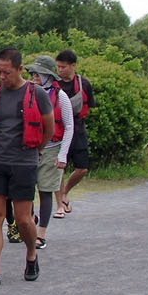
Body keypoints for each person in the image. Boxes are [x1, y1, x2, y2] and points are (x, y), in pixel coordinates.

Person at [0, 47, 55, 287]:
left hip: (24, 161)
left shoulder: (37, 94)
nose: (1, 77)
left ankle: (31, 254)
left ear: (20, 70)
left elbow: (48, 127)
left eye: (6, 72)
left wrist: (38, 149)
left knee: (23, 220)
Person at [27, 56, 75, 250]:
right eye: (32, 74)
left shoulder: (60, 96)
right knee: (25, 191)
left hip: (52, 148)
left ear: (48, 76)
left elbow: (69, 126)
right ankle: (29, 223)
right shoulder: (28, 93)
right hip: (31, 149)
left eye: (38, 74)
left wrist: (62, 155)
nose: (34, 77)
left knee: (45, 191)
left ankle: (41, 234)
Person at [52, 49, 95, 219]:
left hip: (77, 129)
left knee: (82, 168)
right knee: (58, 167)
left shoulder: (84, 84)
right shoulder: (55, 84)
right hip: (58, 130)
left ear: (73, 66)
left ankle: (65, 193)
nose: (60, 70)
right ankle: (60, 204)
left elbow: (89, 107)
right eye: (58, 67)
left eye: (63, 67)